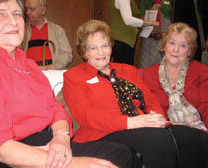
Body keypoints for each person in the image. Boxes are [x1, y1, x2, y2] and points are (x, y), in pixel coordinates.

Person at [0, 0, 135, 167]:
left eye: (17, 14)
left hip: (48, 139)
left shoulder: (28, 65)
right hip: (12, 152)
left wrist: (61, 138)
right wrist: (76, 164)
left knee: (120, 153)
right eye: (0, 14)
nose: (12, 21)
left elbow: (55, 109)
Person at [63, 19, 195, 168]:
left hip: (141, 126)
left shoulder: (127, 70)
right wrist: (130, 123)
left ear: (111, 47)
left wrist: (157, 119)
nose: (101, 52)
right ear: (85, 51)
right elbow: (86, 115)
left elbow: (150, 100)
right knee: (158, 139)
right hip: (103, 133)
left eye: (105, 45)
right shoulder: (74, 76)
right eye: (93, 48)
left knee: (192, 137)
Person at [141, 22, 208, 167]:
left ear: (190, 51)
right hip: (162, 131)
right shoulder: (147, 74)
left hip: (196, 131)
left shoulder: (201, 72)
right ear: (164, 45)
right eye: (172, 43)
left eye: (183, 45)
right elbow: (143, 108)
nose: (176, 49)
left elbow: (206, 108)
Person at [21, 0, 73, 70]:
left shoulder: (57, 30)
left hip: (52, 74)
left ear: (43, 10)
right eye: (26, 9)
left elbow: (67, 54)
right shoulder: (20, 31)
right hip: (28, 74)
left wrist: (53, 66)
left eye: (32, 9)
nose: (27, 12)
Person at [109, 0, 159, 65]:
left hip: (126, 41)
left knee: (123, 69)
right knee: (122, 71)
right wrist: (152, 23)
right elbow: (128, 20)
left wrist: (152, 10)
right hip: (122, 41)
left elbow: (137, 19)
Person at [139, 0, 171, 68]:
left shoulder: (168, 2)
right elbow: (139, 21)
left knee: (163, 66)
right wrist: (151, 11)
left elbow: (172, 21)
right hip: (148, 40)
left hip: (164, 39)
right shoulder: (144, 2)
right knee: (145, 66)